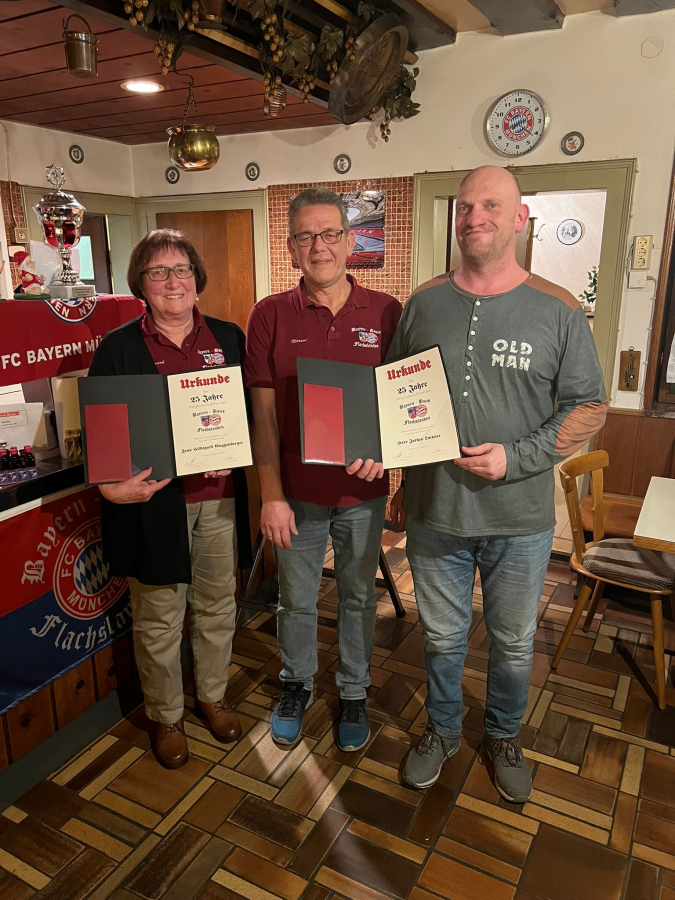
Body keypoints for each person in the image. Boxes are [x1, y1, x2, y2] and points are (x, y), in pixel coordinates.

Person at [388, 166, 608, 802]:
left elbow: (589, 406)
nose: (474, 217)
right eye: (465, 206)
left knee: (512, 643)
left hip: (519, 522)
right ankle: (442, 729)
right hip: (435, 513)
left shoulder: (559, 309)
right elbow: (396, 393)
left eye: (490, 205)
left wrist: (516, 458)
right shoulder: (424, 302)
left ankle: (505, 735)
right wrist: (396, 471)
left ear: (520, 218)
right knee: (441, 637)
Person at [245, 188, 402, 751]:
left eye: (331, 233)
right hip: (296, 493)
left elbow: (402, 401)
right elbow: (263, 417)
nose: (320, 246)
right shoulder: (268, 314)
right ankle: (297, 684)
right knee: (296, 598)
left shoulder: (387, 311)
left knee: (359, 597)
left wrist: (389, 453)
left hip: (363, 490)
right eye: (307, 236)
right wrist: (271, 494)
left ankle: (354, 690)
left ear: (350, 241)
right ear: (291, 247)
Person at [88, 229, 251, 769]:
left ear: (197, 278)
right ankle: (166, 715)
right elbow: (103, 429)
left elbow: (250, 412)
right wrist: (110, 487)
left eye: (181, 269)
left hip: (218, 499)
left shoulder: (228, 337)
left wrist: (239, 449)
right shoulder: (118, 349)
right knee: (159, 614)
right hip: (155, 504)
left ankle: (212, 696)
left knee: (217, 604)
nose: (172, 281)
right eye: (157, 272)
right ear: (141, 284)